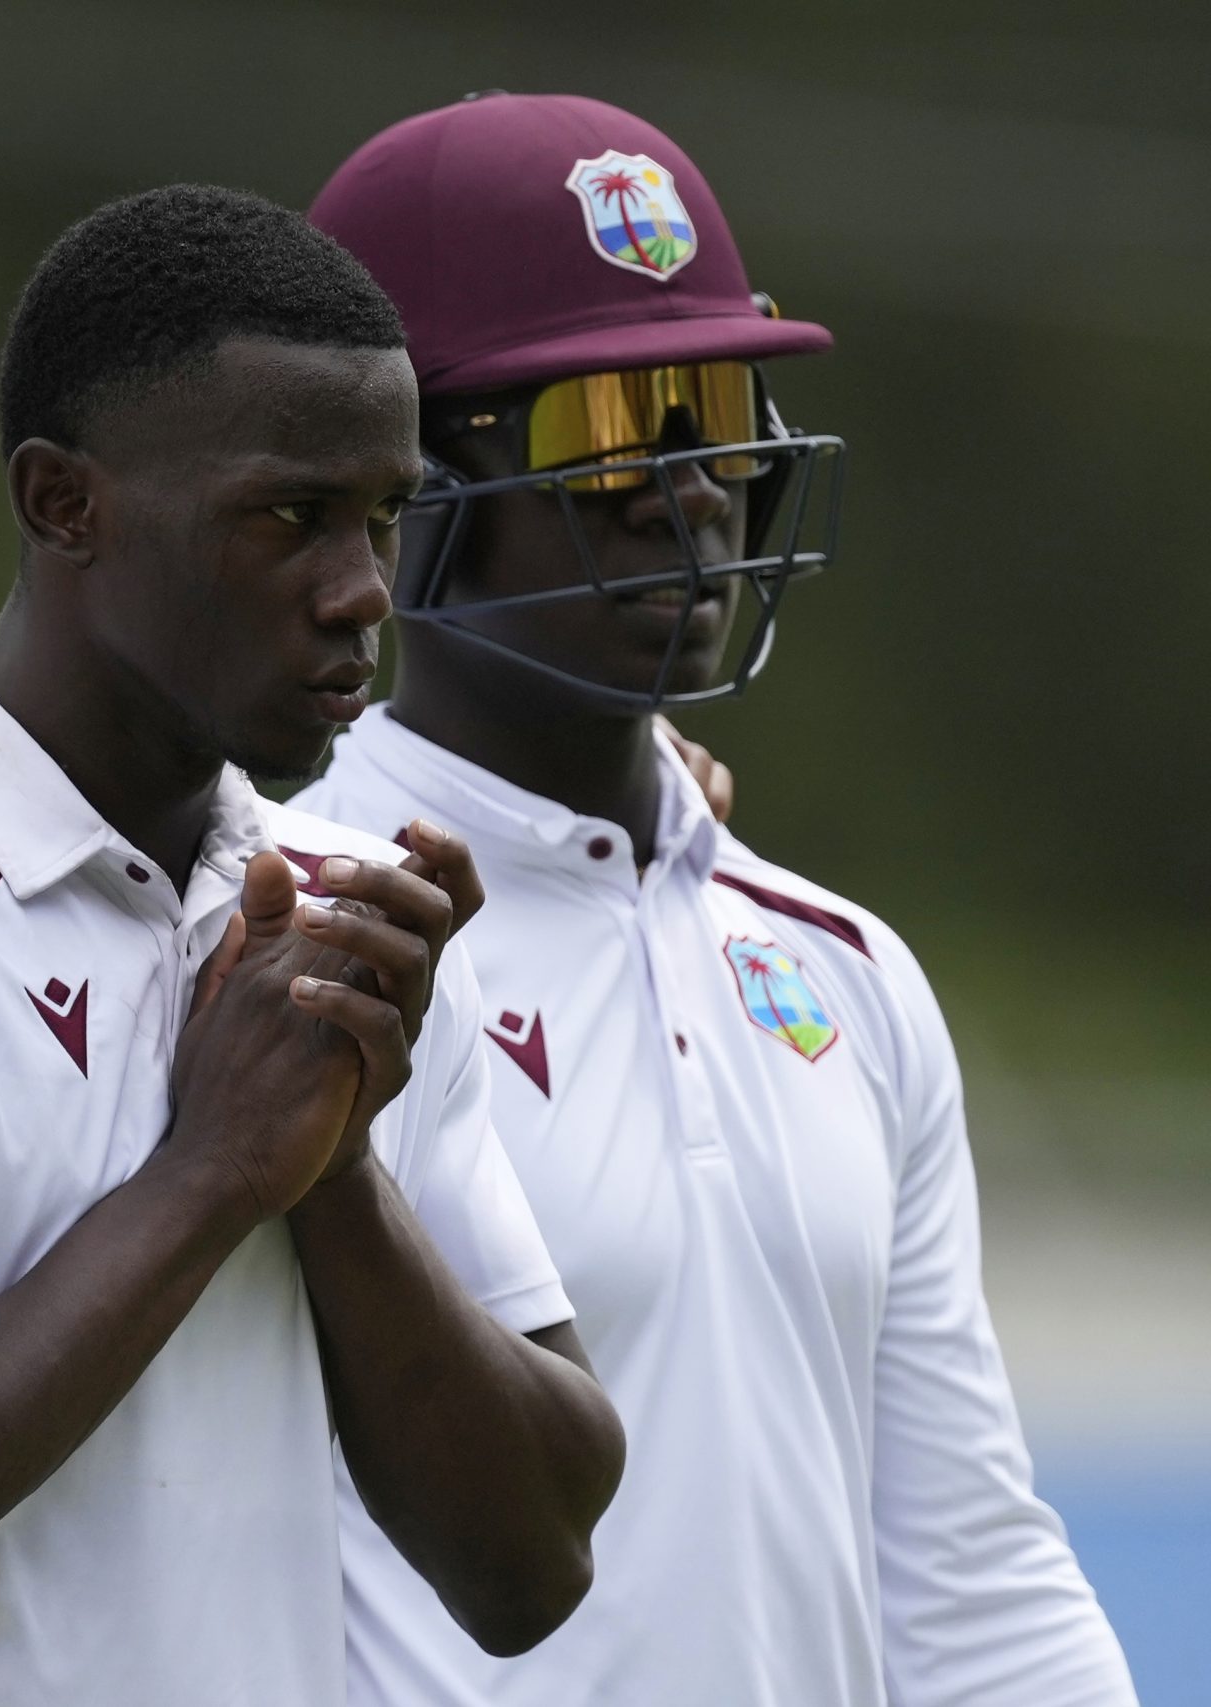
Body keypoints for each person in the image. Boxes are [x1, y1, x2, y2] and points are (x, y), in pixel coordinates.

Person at [0, 184, 627, 1706]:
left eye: (384, 515)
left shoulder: (343, 921)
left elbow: (534, 1561)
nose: (363, 592)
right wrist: (212, 1174)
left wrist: (332, 1169)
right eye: (287, 515)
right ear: (62, 503)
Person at [294, 93, 1135, 1706]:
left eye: (717, 405)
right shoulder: (280, 937)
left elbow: (966, 1568)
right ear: (398, 487)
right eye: (604, 425)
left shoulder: (850, 969)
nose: (691, 488)